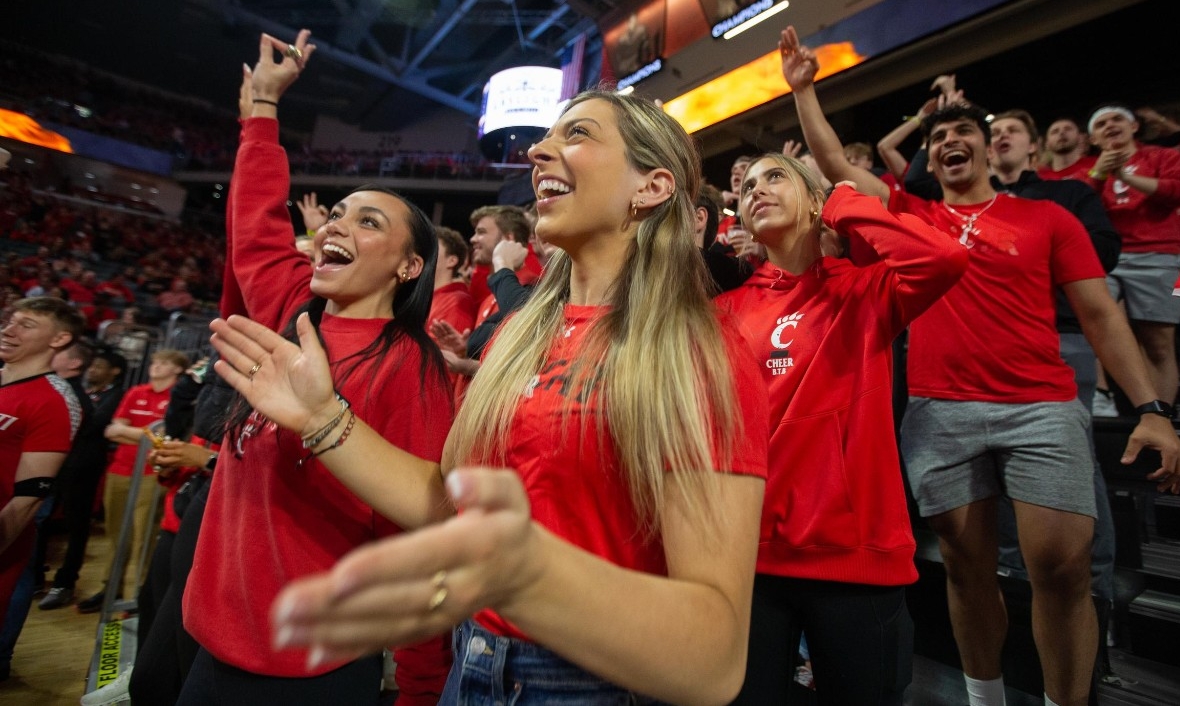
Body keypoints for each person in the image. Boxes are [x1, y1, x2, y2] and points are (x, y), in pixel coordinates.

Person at [207, 85, 770, 705]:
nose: (537, 151)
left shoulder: (697, 350)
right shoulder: (519, 335)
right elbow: (447, 505)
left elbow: (714, 659)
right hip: (472, 665)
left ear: (653, 186)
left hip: (595, 684)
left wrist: (528, 570)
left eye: (578, 134)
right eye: (546, 137)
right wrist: (322, 417)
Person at [778, 24, 1180, 706]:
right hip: (941, 411)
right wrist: (804, 91)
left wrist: (1152, 410)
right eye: (938, 137)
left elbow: (1102, 316)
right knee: (967, 571)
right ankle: (984, 699)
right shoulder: (911, 214)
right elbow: (834, 163)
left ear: (989, 148)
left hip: (1042, 408)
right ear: (930, 158)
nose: (948, 142)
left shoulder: (1049, 219)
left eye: (961, 132)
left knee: (1062, 570)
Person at [170, 31, 455, 706]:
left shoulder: (411, 368)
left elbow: (423, 531)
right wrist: (264, 110)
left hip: (312, 671)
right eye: (337, 214)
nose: (335, 226)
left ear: (409, 266)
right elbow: (256, 227)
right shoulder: (293, 309)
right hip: (211, 644)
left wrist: (420, 686)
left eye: (369, 222)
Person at [719, 151, 967, 705]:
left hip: (855, 558)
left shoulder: (867, 291)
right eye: (749, 185)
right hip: (751, 558)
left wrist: (842, 202)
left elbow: (944, 257)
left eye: (776, 177)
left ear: (816, 201)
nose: (756, 189)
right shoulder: (723, 312)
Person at [1081, 103, 1180, 407]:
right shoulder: (1088, 169)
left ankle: (1161, 415)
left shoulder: (1163, 156)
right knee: (1092, 328)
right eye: (1101, 124)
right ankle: (1104, 398)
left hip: (1161, 255)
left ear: (1134, 126)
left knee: (1159, 343)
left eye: (1117, 119)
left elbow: (1175, 191)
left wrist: (1124, 175)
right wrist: (1100, 173)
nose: (1110, 125)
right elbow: (1079, 208)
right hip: (1106, 261)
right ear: (1093, 139)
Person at [77, 348, 189, 613]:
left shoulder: (179, 397)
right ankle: (110, 587)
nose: (156, 366)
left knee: (143, 536)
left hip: (152, 473)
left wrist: (130, 432)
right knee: (116, 533)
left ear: (177, 370)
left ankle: (137, 593)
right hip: (120, 469)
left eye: (164, 363)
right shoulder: (136, 392)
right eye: (155, 362)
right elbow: (112, 430)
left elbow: (168, 436)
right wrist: (149, 435)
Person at [0, 297, 83, 629]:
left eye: (26, 325)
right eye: (10, 321)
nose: (9, 330)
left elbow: (28, 498)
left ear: (59, 339)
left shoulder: (53, 401)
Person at [39, 347, 126, 610]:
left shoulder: (115, 395)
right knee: (40, 520)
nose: (93, 369)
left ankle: (65, 583)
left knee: (77, 524)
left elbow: (94, 425)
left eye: (100, 366)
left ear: (114, 371)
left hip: (84, 466)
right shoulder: (84, 392)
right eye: (93, 365)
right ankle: (35, 575)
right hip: (58, 462)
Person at [1038, 117, 1096, 181]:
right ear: (1047, 143)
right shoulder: (1040, 177)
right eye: (1055, 132)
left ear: (1079, 137)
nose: (1061, 133)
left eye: (1068, 129)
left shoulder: (1096, 165)